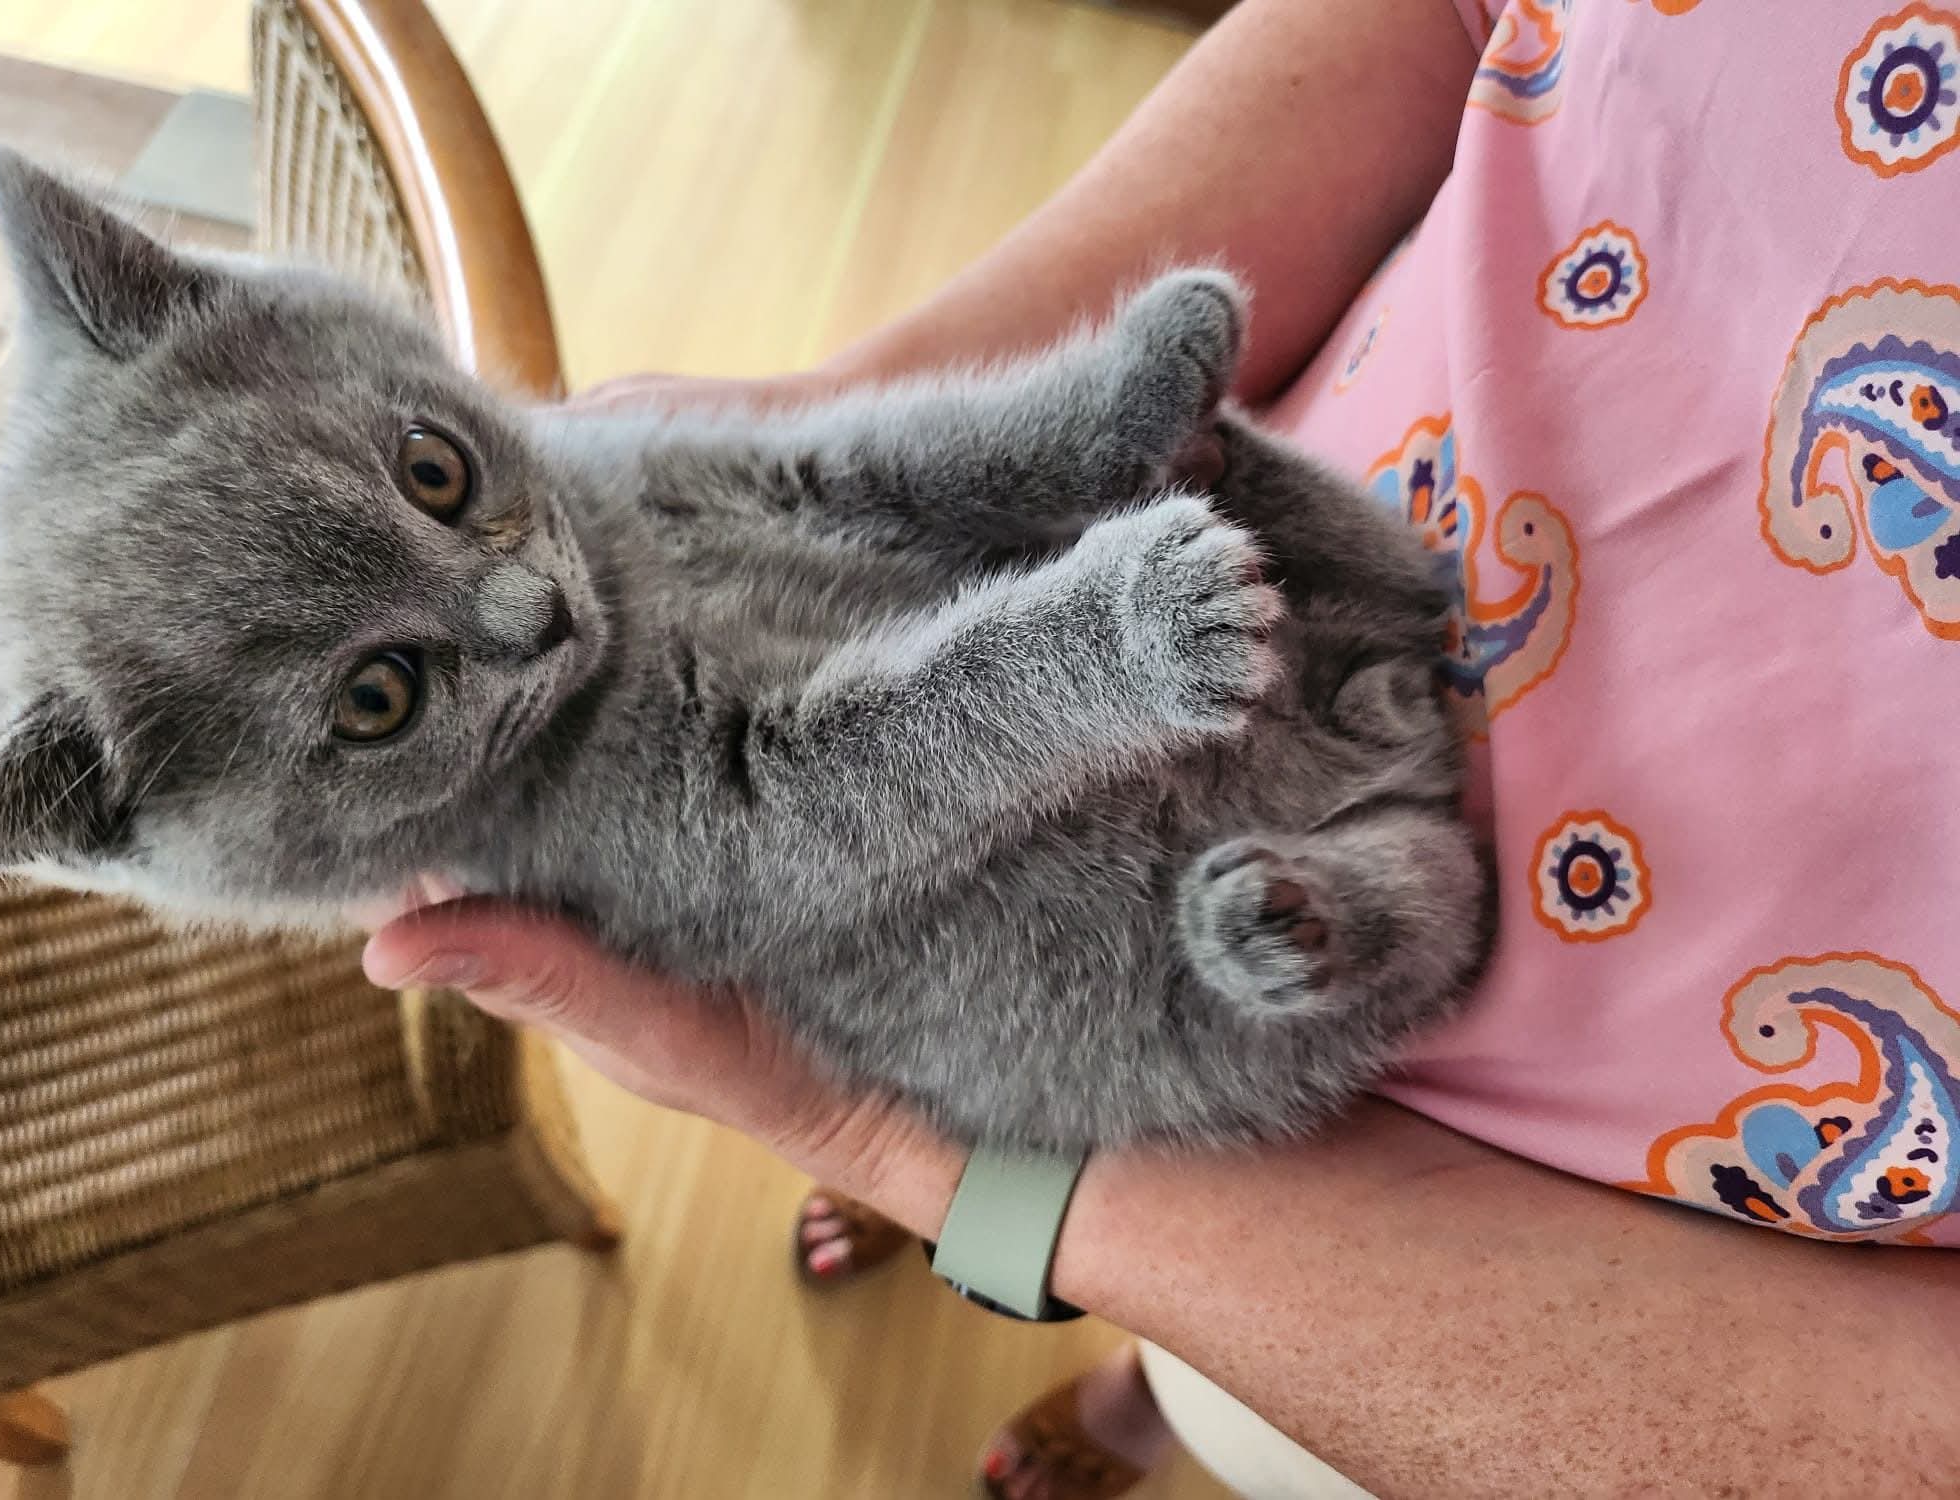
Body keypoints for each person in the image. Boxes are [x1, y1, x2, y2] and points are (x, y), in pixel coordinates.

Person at [363, 1, 1960, 1494]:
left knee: (1218, 1371)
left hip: (1556, 1238)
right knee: (907, 952)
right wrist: (858, 433)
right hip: (1294, 537)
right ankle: (1003, 1173)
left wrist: (920, 1156)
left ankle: (1132, 1391)